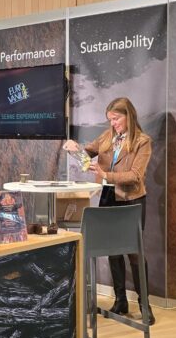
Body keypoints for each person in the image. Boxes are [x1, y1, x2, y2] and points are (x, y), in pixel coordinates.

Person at [64, 96, 154, 323]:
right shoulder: (107, 136)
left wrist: (106, 175)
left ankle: (145, 305)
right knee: (113, 251)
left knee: (134, 253)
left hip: (131, 201)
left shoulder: (142, 141)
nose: (113, 123)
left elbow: (135, 176)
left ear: (128, 116)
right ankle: (120, 300)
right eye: (110, 120)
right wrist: (74, 149)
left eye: (116, 119)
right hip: (108, 198)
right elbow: (86, 155)